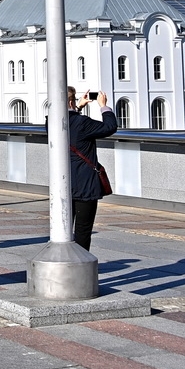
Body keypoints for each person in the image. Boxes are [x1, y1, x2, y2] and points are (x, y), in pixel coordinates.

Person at [67, 87, 119, 251]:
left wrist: (78, 107)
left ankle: (64, 259)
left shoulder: (51, 123)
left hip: (63, 183)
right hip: (85, 184)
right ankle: (81, 260)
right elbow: (110, 127)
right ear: (71, 102)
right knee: (83, 229)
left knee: (63, 228)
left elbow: (69, 120)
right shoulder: (82, 123)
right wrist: (103, 106)